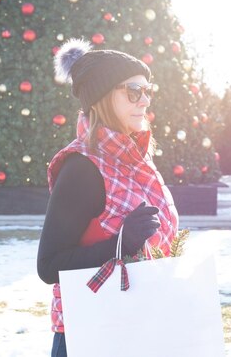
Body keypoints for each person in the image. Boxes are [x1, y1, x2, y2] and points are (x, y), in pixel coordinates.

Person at [37, 38, 180, 357]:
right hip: (90, 333)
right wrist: (120, 244)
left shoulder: (139, 161)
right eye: (133, 91)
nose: (144, 100)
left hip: (141, 326)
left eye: (148, 91)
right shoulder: (82, 168)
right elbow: (48, 266)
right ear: (102, 96)